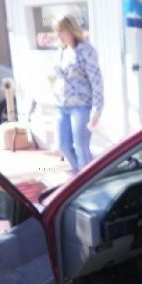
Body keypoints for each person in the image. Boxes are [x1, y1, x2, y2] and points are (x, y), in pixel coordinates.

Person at [50, 14, 104, 173]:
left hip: (81, 106)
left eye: (61, 30)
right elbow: (56, 75)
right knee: (63, 146)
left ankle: (88, 180)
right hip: (62, 106)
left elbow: (97, 81)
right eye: (56, 31)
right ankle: (78, 176)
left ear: (71, 29)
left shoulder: (86, 51)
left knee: (82, 148)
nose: (58, 34)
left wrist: (97, 110)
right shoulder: (61, 51)